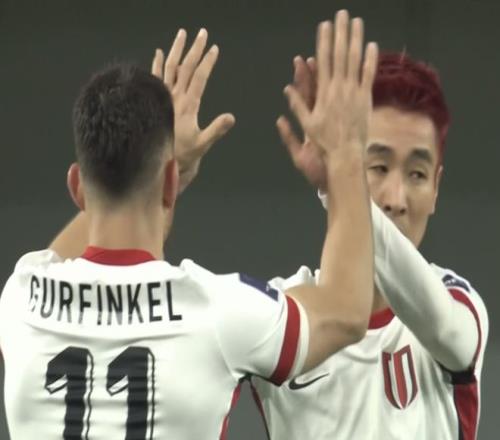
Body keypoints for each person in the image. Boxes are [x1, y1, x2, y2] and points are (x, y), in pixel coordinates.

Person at [0, 11, 378, 439]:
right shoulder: (215, 309)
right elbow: (346, 312)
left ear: (76, 186)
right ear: (170, 182)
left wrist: (166, 164)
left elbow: (67, 255)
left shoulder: (21, 298)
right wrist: (346, 154)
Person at [250, 51, 489, 440]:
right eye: (378, 167)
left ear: (436, 189)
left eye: (417, 174)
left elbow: (445, 327)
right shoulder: (282, 312)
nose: (396, 198)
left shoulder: (461, 308)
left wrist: (338, 184)